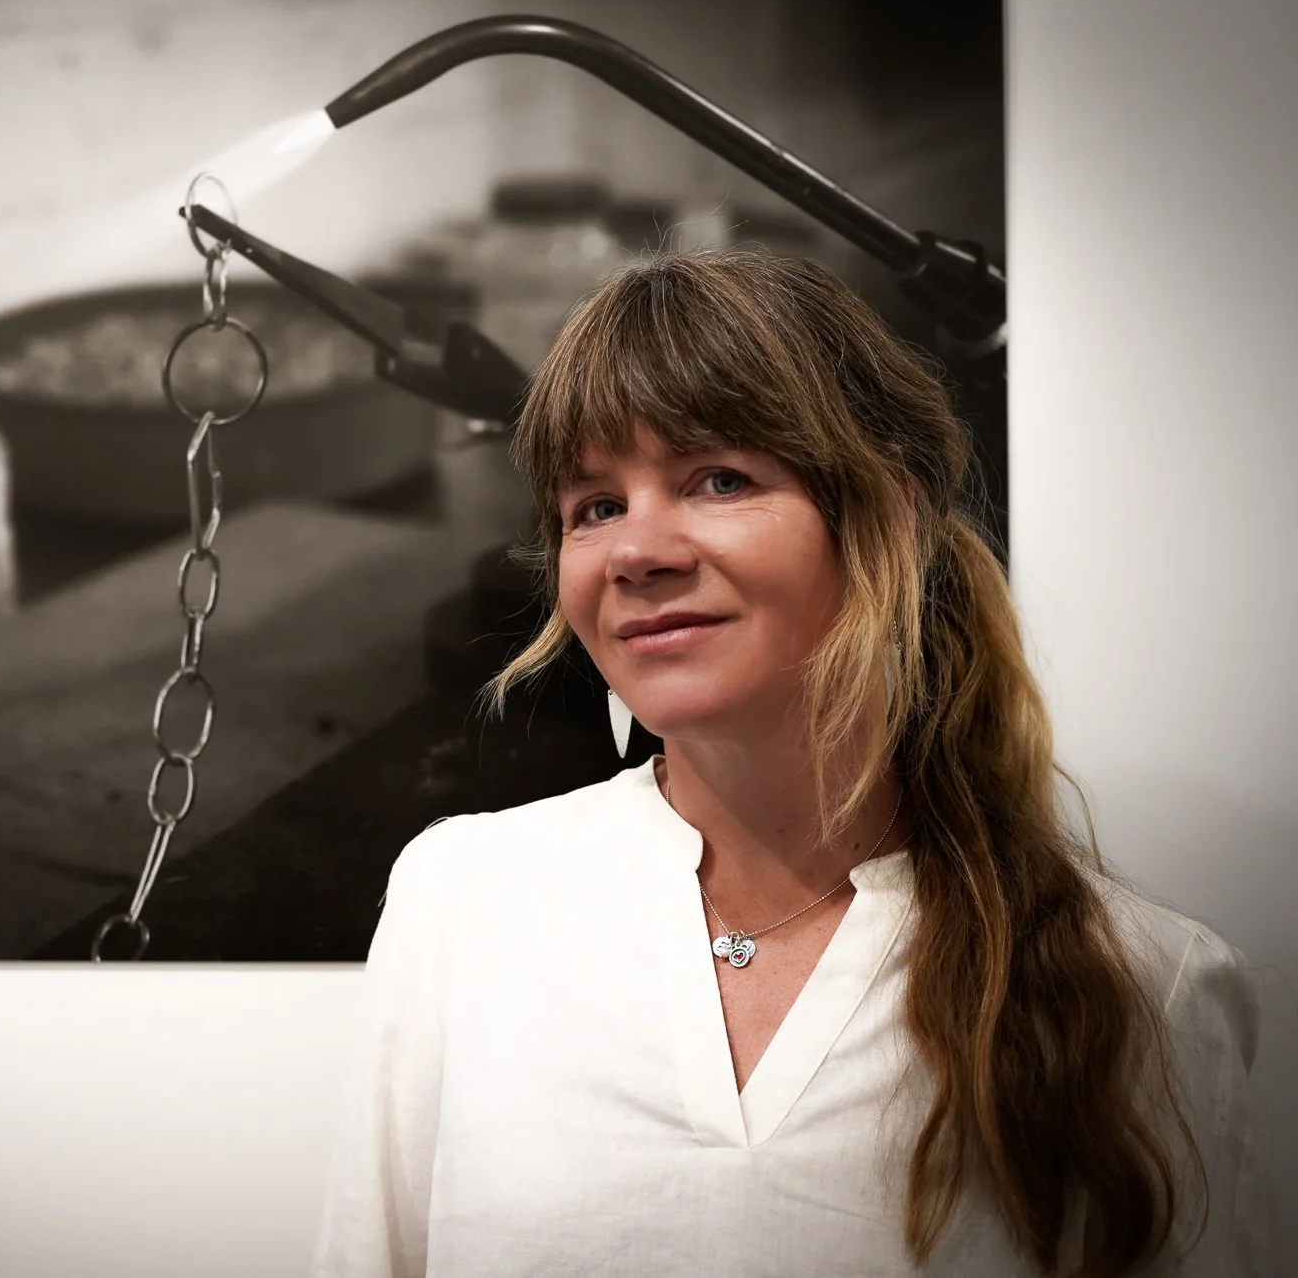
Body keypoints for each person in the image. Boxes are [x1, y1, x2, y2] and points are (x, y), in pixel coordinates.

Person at [311, 250, 1265, 1276]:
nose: (635, 550)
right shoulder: (462, 900)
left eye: (718, 479)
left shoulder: (1137, 984)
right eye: (594, 506)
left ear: (886, 514)